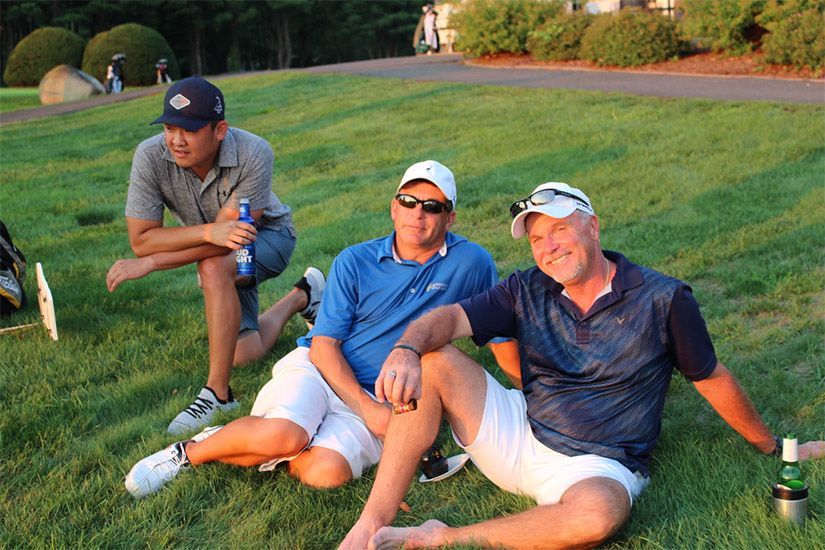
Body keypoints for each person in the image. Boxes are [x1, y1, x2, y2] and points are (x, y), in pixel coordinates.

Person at [341, 182, 825, 549]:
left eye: (559, 230)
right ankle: (370, 524)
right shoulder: (526, 287)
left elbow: (711, 377)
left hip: (597, 462)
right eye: (536, 239)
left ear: (592, 226)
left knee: (598, 516)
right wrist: (405, 348)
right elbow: (450, 317)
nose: (548, 247)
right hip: (521, 430)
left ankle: (443, 536)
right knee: (434, 357)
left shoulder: (663, 299)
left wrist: (774, 447)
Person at [123, 160, 520, 498]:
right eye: (408, 202)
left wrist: (527, 398)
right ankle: (189, 451)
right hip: (321, 370)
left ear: (450, 218)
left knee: (323, 474)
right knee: (284, 436)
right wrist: (369, 412)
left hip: (387, 397)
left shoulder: (473, 263)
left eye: (432, 207)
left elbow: (499, 337)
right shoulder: (355, 260)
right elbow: (324, 346)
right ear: (393, 209)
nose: (418, 214)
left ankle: (262, 435)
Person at [106, 76, 322, 435]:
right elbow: (142, 239)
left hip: (268, 238)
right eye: (170, 128)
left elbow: (231, 240)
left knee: (212, 267)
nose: (176, 139)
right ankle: (304, 295)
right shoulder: (150, 155)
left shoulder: (254, 152)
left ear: (219, 129)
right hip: (217, 245)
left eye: (188, 130)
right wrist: (202, 233)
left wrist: (154, 262)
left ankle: (218, 395)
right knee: (243, 353)